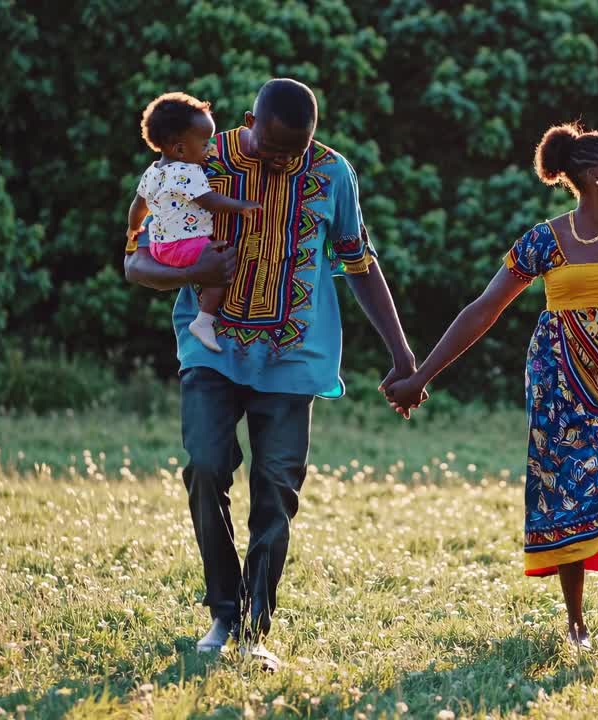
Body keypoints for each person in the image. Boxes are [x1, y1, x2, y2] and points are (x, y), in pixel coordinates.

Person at [383, 122, 598, 656]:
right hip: (559, 381)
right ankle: (576, 623)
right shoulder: (543, 241)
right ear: (593, 178)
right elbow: (482, 311)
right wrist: (420, 376)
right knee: (566, 490)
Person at [124, 78, 420, 672]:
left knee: (276, 489)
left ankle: (256, 625)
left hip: (295, 356)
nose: (283, 159)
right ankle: (221, 611)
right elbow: (135, 261)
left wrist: (403, 354)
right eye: (272, 145)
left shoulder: (334, 174)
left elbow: (359, 261)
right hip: (212, 348)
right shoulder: (199, 158)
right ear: (249, 121)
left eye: (295, 150)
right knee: (206, 467)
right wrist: (192, 272)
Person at [127, 92, 261, 352]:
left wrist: (134, 229)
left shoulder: (152, 172)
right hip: (184, 247)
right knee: (221, 261)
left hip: (159, 248)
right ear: (179, 149)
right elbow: (210, 201)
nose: (210, 149)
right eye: (204, 144)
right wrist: (240, 206)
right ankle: (204, 319)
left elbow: (137, 207)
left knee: (214, 257)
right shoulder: (187, 172)